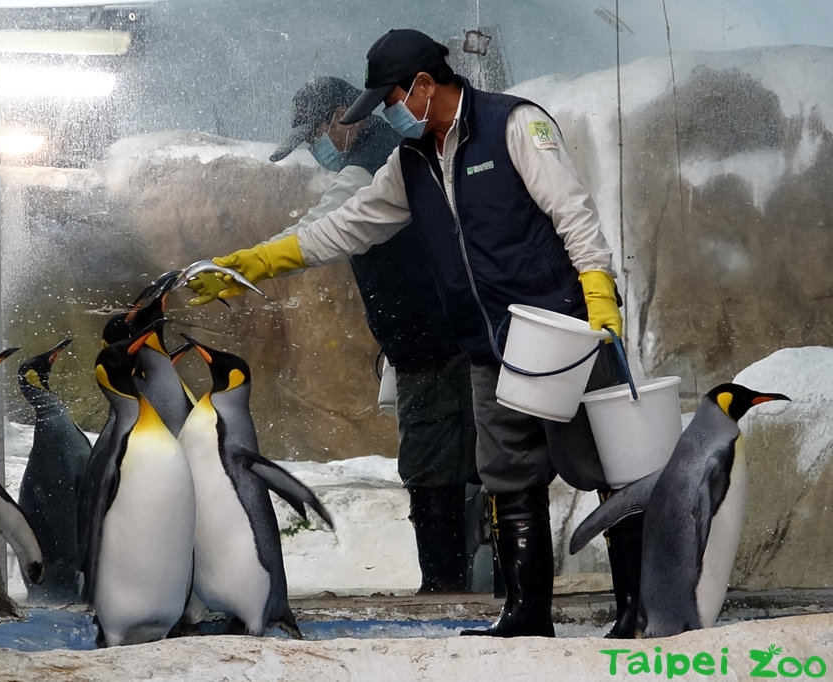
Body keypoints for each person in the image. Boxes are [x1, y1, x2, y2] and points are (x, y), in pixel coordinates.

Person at [188, 29, 637, 639]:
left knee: (603, 464)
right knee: (509, 475)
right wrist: (258, 262)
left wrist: (597, 291)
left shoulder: (515, 126)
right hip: (488, 346)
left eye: (392, 100)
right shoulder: (412, 163)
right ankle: (527, 619)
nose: (389, 116)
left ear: (425, 85)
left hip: (558, 329)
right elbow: (348, 226)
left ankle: (637, 610)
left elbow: (572, 209)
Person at [193, 76, 479, 593]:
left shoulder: (379, 158)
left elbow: (326, 226)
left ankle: (448, 591)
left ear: (347, 114)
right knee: (470, 463)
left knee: (436, 466)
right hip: (437, 340)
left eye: (318, 132)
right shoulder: (387, 153)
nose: (315, 147)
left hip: (435, 345)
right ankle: (476, 585)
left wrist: (246, 266)